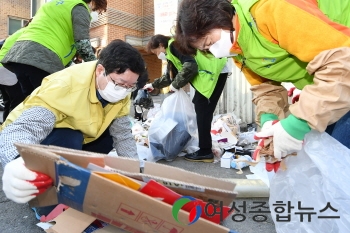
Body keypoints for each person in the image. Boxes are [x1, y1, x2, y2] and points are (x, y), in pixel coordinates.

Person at [174, 0, 350, 166]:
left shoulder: (270, 9)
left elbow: (343, 63)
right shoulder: (238, 48)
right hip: (336, 87)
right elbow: (265, 88)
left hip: (342, 75)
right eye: (206, 50)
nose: (215, 52)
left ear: (219, 16)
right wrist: (269, 121)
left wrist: (298, 124)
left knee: (337, 160)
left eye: (210, 42)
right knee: (326, 158)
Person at [1, 39, 147, 204]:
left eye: (130, 86)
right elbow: (26, 128)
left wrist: (135, 173)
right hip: (41, 136)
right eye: (120, 83)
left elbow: (122, 134)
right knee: (69, 137)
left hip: (81, 133)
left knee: (109, 138)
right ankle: (45, 195)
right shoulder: (65, 87)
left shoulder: (123, 92)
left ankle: (74, 178)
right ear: (100, 70)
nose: (124, 91)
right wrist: (20, 161)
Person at [0, 0, 106, 104]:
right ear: (92, 2)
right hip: (41, 58)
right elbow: (82, 44)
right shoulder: (79, 7)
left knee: (30, 102)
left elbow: (56, 39)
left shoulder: (51, 5)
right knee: (49, 103)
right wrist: (98, 68)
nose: (93, 12)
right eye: (95, 9)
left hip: (19, 56)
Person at [144, 34, 229, 162]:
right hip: (212, 75)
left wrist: (176, 85)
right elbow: (170, 77)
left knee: (203, 111)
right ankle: (205, 148)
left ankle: (205, 151)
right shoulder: (171, 54)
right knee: (201, 109)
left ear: (161, 45)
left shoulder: (174, 45)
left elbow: (190, 65)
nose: (157, 56)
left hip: (213, 74)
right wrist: (153, 85)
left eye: (156, 52)